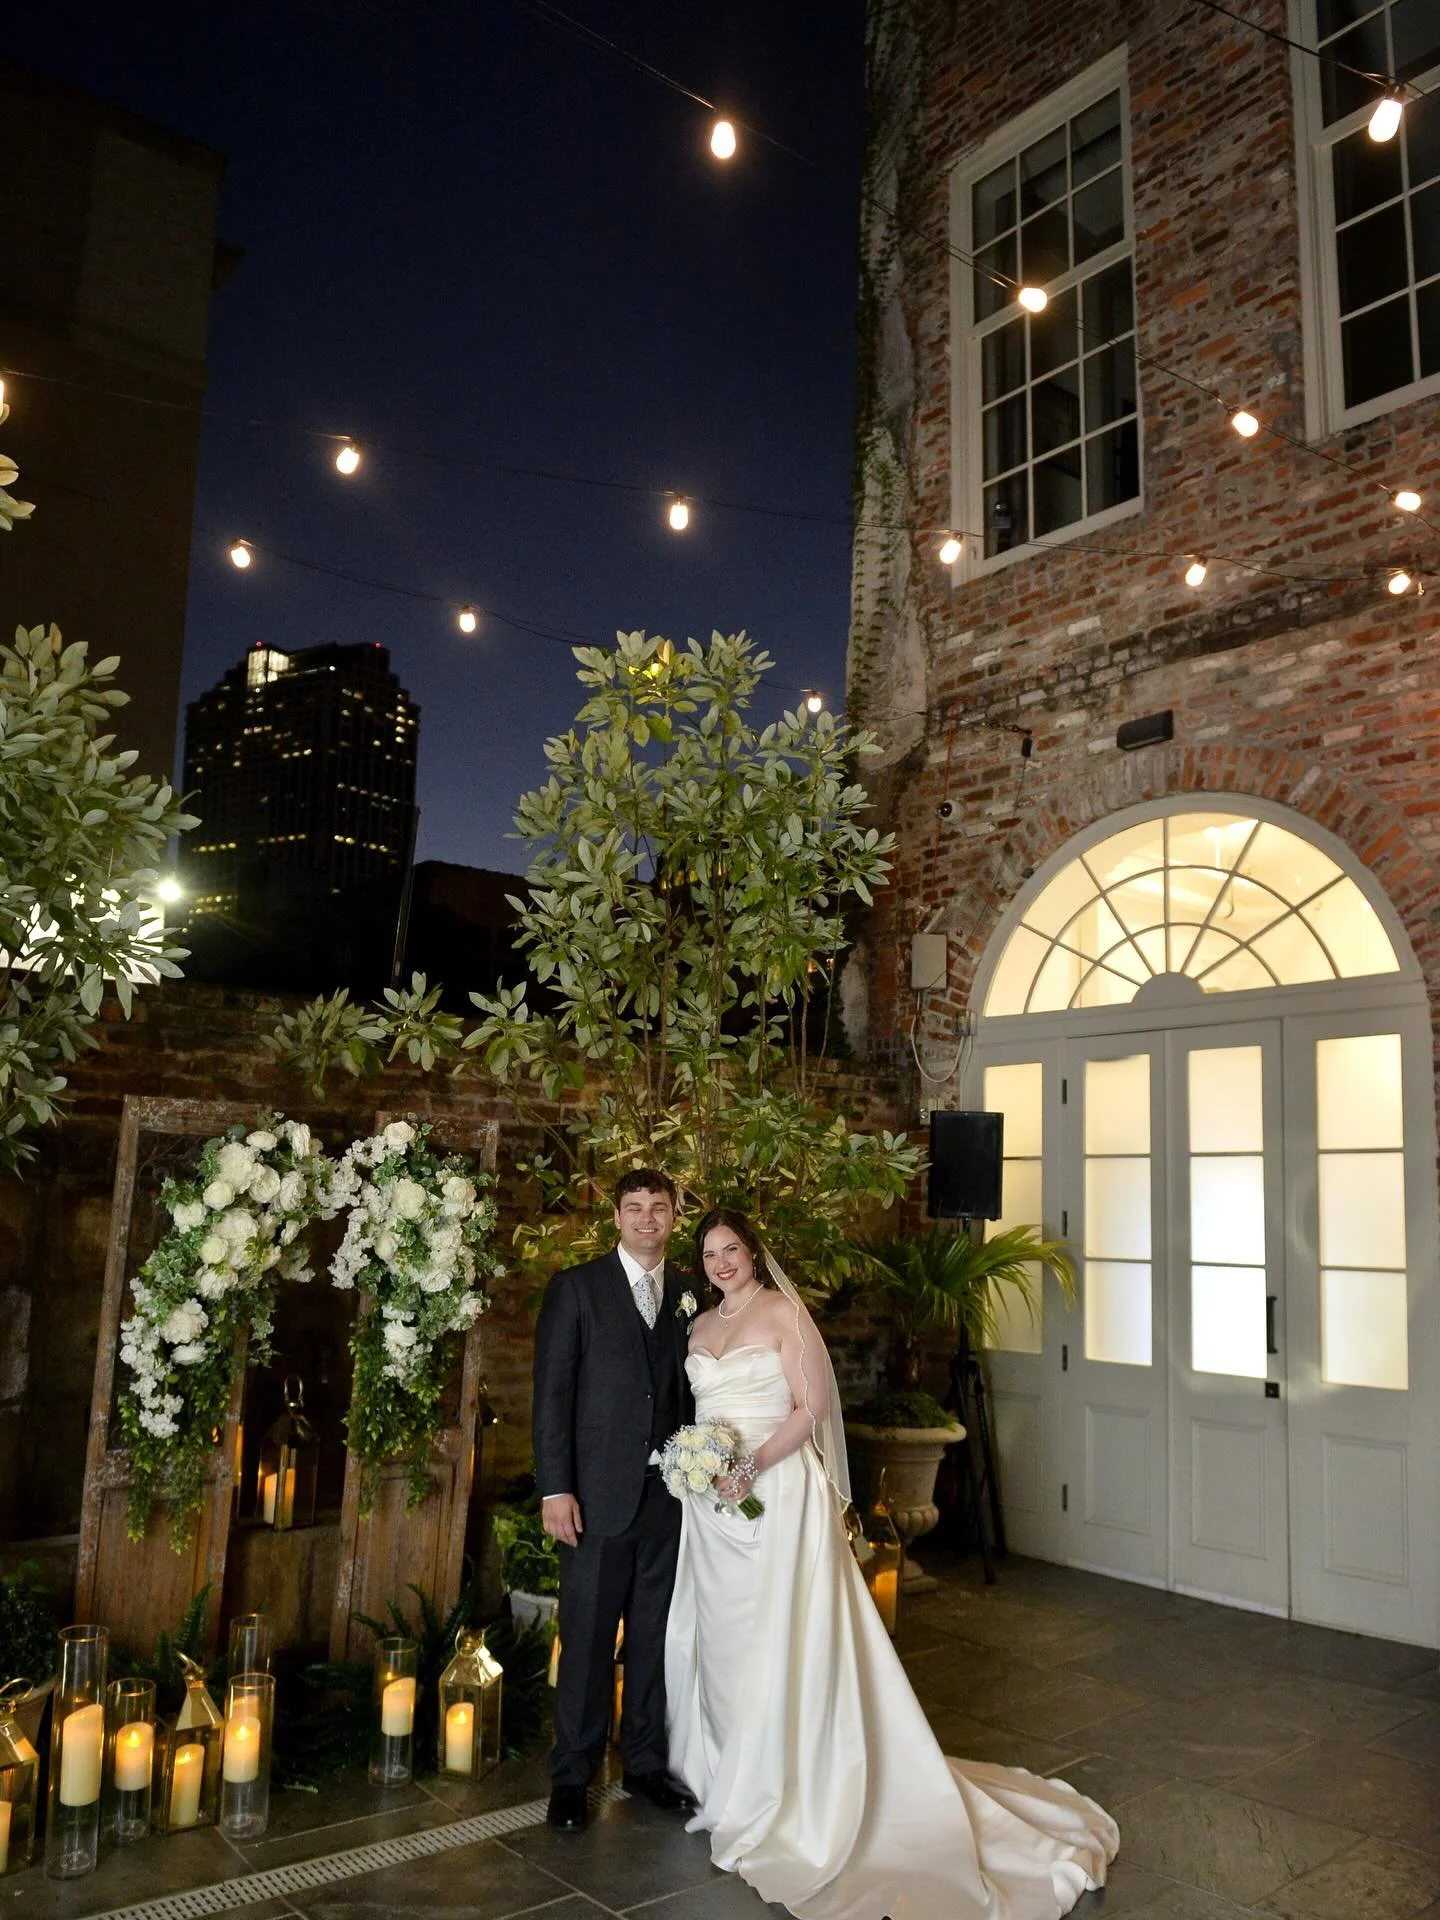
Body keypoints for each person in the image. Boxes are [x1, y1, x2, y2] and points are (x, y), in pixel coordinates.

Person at [665, 1206, 1119, 1920]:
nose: (722, 1262)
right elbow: (696, 1416)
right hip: (713, 1511)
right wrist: (700, 1468)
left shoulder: (783, 1314)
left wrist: (750, 1465)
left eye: (732, 1250)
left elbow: (810, 1409)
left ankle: (793, 1787)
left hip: (776, 1493)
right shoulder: (698, 1328)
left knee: (786, 1639)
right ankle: (732, 1775)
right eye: (711, 1253)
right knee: (727, 1646)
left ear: (753, 1252)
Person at [532, 1168, 699, 1831]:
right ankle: (572, 1777)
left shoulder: (689, 1291)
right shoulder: (576, 1288)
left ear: (675, 1216)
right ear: (617, 1218)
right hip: (594, 1500)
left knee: (655, 1639)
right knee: (588, 1640)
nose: (647, 1219)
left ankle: (645, 1765)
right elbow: (552, 1396)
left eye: (659, 1208)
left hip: (670, 1500)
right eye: (635, 1208)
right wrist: (555, 1487)